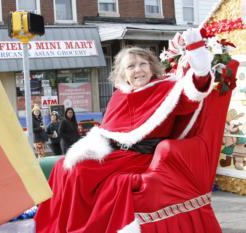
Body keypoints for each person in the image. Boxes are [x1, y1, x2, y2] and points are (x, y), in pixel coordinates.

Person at [35, 29, 219, 232]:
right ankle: (61, 224)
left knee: (79, 171)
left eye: (143, 64)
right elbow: (109, 131)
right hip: (115, 153)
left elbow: (192, 95)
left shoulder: (166, 89)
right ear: (123, 74)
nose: (138, 70)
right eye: (131, 66)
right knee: (63, 167)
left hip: (139, 156)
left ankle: (78, 226)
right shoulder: (119, 95)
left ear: (151, 67)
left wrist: (200, 68)